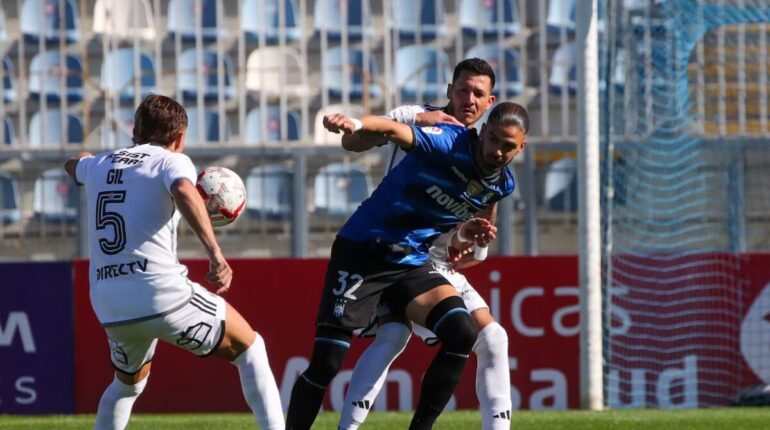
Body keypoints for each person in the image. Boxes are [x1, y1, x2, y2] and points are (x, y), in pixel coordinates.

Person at [285, 98, 528, 429]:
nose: (497, 151)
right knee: (327, 363)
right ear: (483, 132)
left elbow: (463, 217)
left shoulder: (503, 184)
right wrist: (357, 124)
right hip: (364, 250)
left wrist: (467, 232)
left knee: (461, 333)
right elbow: (393, 129)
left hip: (411, 261)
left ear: (521, 147)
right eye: (494, 140)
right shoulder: (447, 141)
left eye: (508, 146)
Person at [63, 94, 284, 430]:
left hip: (109, 301)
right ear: (179, 138)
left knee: (127, 383)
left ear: (135, 130)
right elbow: (183, 188)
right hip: (159, 292)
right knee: (251, 349)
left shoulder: (99, 165)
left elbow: (73, 165)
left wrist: (87, 162)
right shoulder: (171, 161)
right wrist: (215, 253)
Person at [336, 58, 516, 430]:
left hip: (436, 264)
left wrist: (472, 240)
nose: (469, 99)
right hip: (393, 248)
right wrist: (402, 120)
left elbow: (471, 246)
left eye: (477, 94)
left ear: (488, 102)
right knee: (393, 334)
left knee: (493, 338)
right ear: (450, 91)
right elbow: (353, 143)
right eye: (463, 89)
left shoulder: (488, 154)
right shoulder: (420, 118)